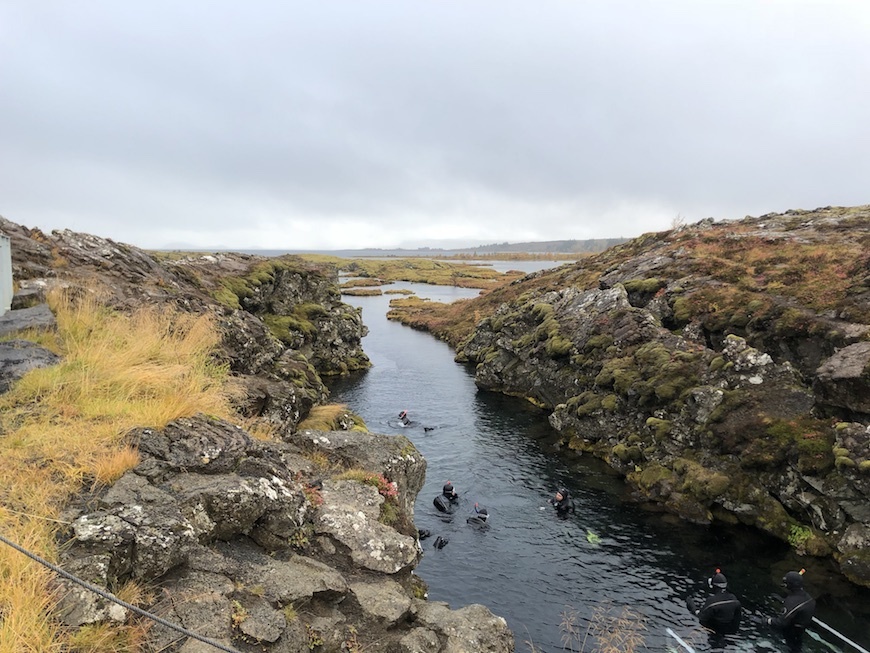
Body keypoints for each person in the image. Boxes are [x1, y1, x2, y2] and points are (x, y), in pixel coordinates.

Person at [759, 570, 816, 652]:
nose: (784, 585)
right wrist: (782, 601)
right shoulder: (808, 597)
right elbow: (797, 606)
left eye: (786, 583)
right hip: (801, 629)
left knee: (791, 648)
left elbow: (781, 623)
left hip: (792, 631)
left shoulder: (792, 601)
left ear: (790, 585)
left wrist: (768, 621)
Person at [686, 569, 742, 648]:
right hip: (730, 633)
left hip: (714, 632)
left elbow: (701, 618)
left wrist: (691, 605)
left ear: (713, 586)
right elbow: (737, 619)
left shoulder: (711, 602)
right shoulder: (734, 599)